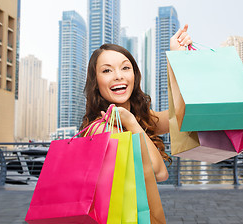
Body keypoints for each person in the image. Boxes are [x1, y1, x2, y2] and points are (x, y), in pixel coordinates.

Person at [81, 24, 193, 182]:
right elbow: (158, 173)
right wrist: (132, 123)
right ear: (95, 82)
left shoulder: (140, 117)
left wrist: (178, 58)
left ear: (135, 75)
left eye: (125, 68)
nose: (118, 76)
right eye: (107, 70)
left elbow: (182, 115)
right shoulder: (102, 129)